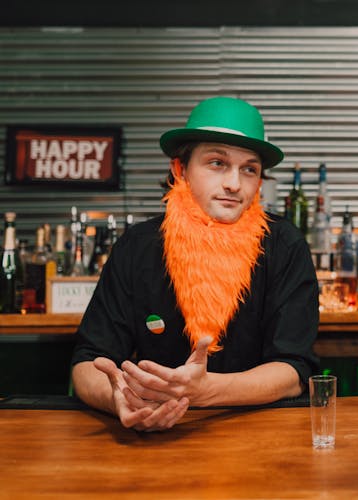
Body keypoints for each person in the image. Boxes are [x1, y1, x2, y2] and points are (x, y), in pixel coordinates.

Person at [71, 97, 319, 432]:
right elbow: (87, 362)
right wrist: (119, 399)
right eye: (217, 162)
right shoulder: (137, 246)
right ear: (180, 169)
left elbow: (293, 371)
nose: (234, 183)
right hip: (152, 443)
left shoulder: (285, 245)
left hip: (262, 437)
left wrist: (204, 391)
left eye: (249, 169)